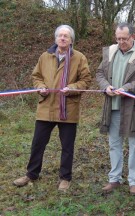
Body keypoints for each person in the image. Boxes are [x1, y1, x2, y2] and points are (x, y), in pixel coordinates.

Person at [13, 24, 92, 192]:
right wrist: (40, 86)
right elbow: (36, 76)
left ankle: (65, 178)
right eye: (60, 35)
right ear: (56, 38)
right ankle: (31, 174)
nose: (62, 38)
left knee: (67, 147)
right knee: (37, 144)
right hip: (46, 107)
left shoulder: (79, 58)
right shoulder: (45, 56)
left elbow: (86, 80)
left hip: (68, 108)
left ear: (71, 40)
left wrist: (72, 87)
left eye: (66, 36)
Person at [96, 22, 135, 194]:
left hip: (134, 108)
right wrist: (105, 85)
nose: (121, 42)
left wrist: (128, 88)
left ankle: (134, 181)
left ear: (133, 37)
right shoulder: (110, 52)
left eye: (125, 38)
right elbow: (99, 73)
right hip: (112, 107)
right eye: (118, 38)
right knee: (114, 143)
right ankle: (114, 179)